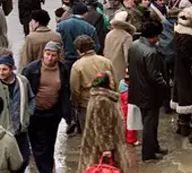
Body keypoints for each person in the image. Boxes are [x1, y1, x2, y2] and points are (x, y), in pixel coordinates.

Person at [22, 42, 69, 173]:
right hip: (35, 113)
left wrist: (66, 112)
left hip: (53, 113)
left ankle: (47, 165)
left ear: (58, 56)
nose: (50, 58)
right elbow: (23, 90)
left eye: (53, 55)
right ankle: (45, 169)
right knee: (38, 145)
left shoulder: (63, 69)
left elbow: (65, 91)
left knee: (49, 143)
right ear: (43, 54)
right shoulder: (31, 69)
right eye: (47, 54)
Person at [127, 20, 169, 162]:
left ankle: (154, 147)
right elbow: (155, 76)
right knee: (150, 125)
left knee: (149, 123)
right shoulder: (150, 52)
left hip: (137, 90)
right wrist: (165, 85)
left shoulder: (134, 46)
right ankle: (148, 153)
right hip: (149, 93)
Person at [76, 72, 129, 173]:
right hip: (101, 148)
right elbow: (102, 126)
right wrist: (106, 148)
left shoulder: (97, 96)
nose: (114, 82)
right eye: (111, 80)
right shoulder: (103, 100)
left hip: (98, 145)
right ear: (107, 83)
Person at [171, 6, 192, 136]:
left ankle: (181, 126)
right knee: (187, 99)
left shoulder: (178, 32)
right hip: (188, 71)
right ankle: (185, 128)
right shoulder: (188, 36)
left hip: (180, 69)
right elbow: (186, 56)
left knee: (181, 98)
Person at [69, 35, 115, 133]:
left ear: (78, 50)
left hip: (87, 104)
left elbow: (75, 89)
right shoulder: (106, 62)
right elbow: (114, 81)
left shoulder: (77, 66)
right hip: (106, 100)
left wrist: (76, 104)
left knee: (89, 135)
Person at [0, 52, 33, 173]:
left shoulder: (22, 81)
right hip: (4, 132)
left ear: (12, 69)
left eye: (4, 69)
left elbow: (31, 98)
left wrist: (28, 114)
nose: (1, 72)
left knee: (23, 159)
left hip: (20, 129)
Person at [103, 12, 135, 86]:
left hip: (108, 68)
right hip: (121, 71)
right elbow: (128, 57)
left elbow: (105, 51)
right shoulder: (127, 36)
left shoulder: (109, 34)